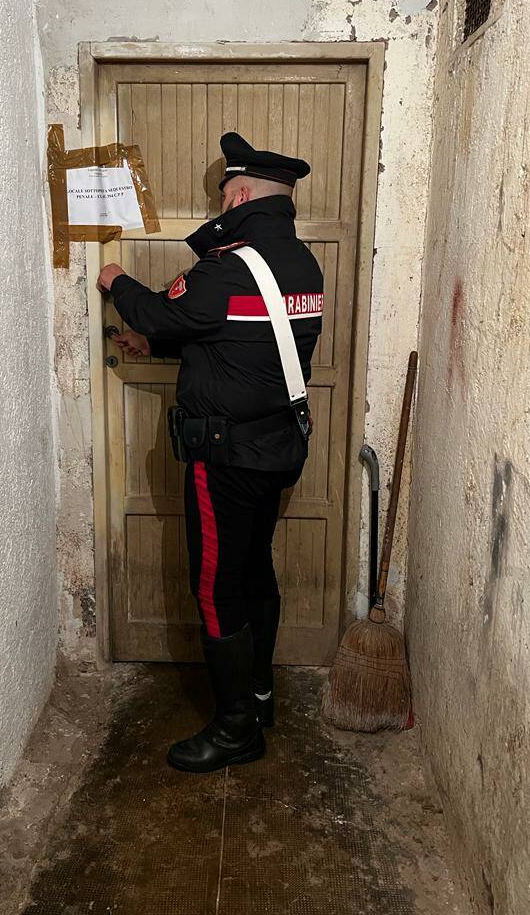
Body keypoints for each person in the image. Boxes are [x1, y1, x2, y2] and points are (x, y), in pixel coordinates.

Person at [97, 132, 323, 773]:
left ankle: (234, 732)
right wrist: (163, 350)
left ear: (243, 194)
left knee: (216, 585)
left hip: (225, 457)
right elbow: (243, 339)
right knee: (255, 572)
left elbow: (164, 314)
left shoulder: (228, 266)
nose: (221, 201)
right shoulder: (303, 263)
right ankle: (258, 697)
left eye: (226, 191)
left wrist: (116, 280)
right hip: (279, 446)